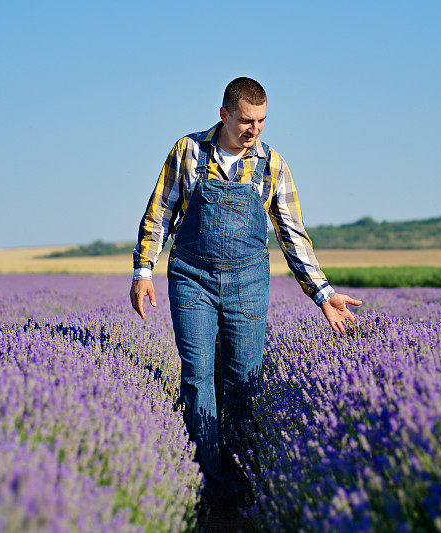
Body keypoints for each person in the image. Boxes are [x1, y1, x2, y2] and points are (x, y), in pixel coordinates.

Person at [129, 77, 362, 513]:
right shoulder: (188, 152)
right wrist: (143, 270)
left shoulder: (273, 165)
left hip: (248, 284)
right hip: (191, 277)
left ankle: (242, 481)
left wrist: (322, 293)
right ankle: (207, 485)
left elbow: (293, 234)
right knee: (198, 376)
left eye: (261, 121)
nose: (254, 129)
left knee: (244, 382)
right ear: (224, 115)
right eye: (245, 120)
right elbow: (158, 211)